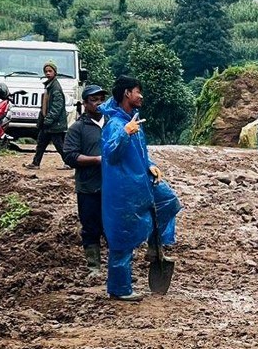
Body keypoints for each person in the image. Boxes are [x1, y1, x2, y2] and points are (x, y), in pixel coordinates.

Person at [99, 76, 181, 301]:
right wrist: (126, 132)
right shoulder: (116, 125)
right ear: (127, 93)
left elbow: (140, 154)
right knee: (122, 237)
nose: (141, 96)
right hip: (124, 188)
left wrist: (151, 165)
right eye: (138, 91)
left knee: (169, 202)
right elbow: (112, 154)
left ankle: (155, 244)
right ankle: (120, 288)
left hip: (141, 181)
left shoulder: (133, 121)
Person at [63, 85, 107, 279]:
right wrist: (97, 160)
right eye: (93, 100)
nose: (98, 103)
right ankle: (94, 267)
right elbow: (70, 156)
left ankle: (117, 267)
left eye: (101, 99)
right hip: (88, 186)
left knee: (113, 226)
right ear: (84, 104)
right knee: (90, 227)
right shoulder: (77, 128)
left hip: (112, 186)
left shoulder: (112, 123)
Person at [25, 61, 69, 169]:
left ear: (55, 72)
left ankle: (69, 162)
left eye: (50, 71)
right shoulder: (49, 85)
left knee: (59, 144)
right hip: (48, 122)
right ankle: (35, 163)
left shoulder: (55, 87)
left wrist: (49, 119)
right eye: (46, 71)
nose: (48, 73)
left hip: (53, 123)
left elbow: (57, 107)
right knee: (41, 143)